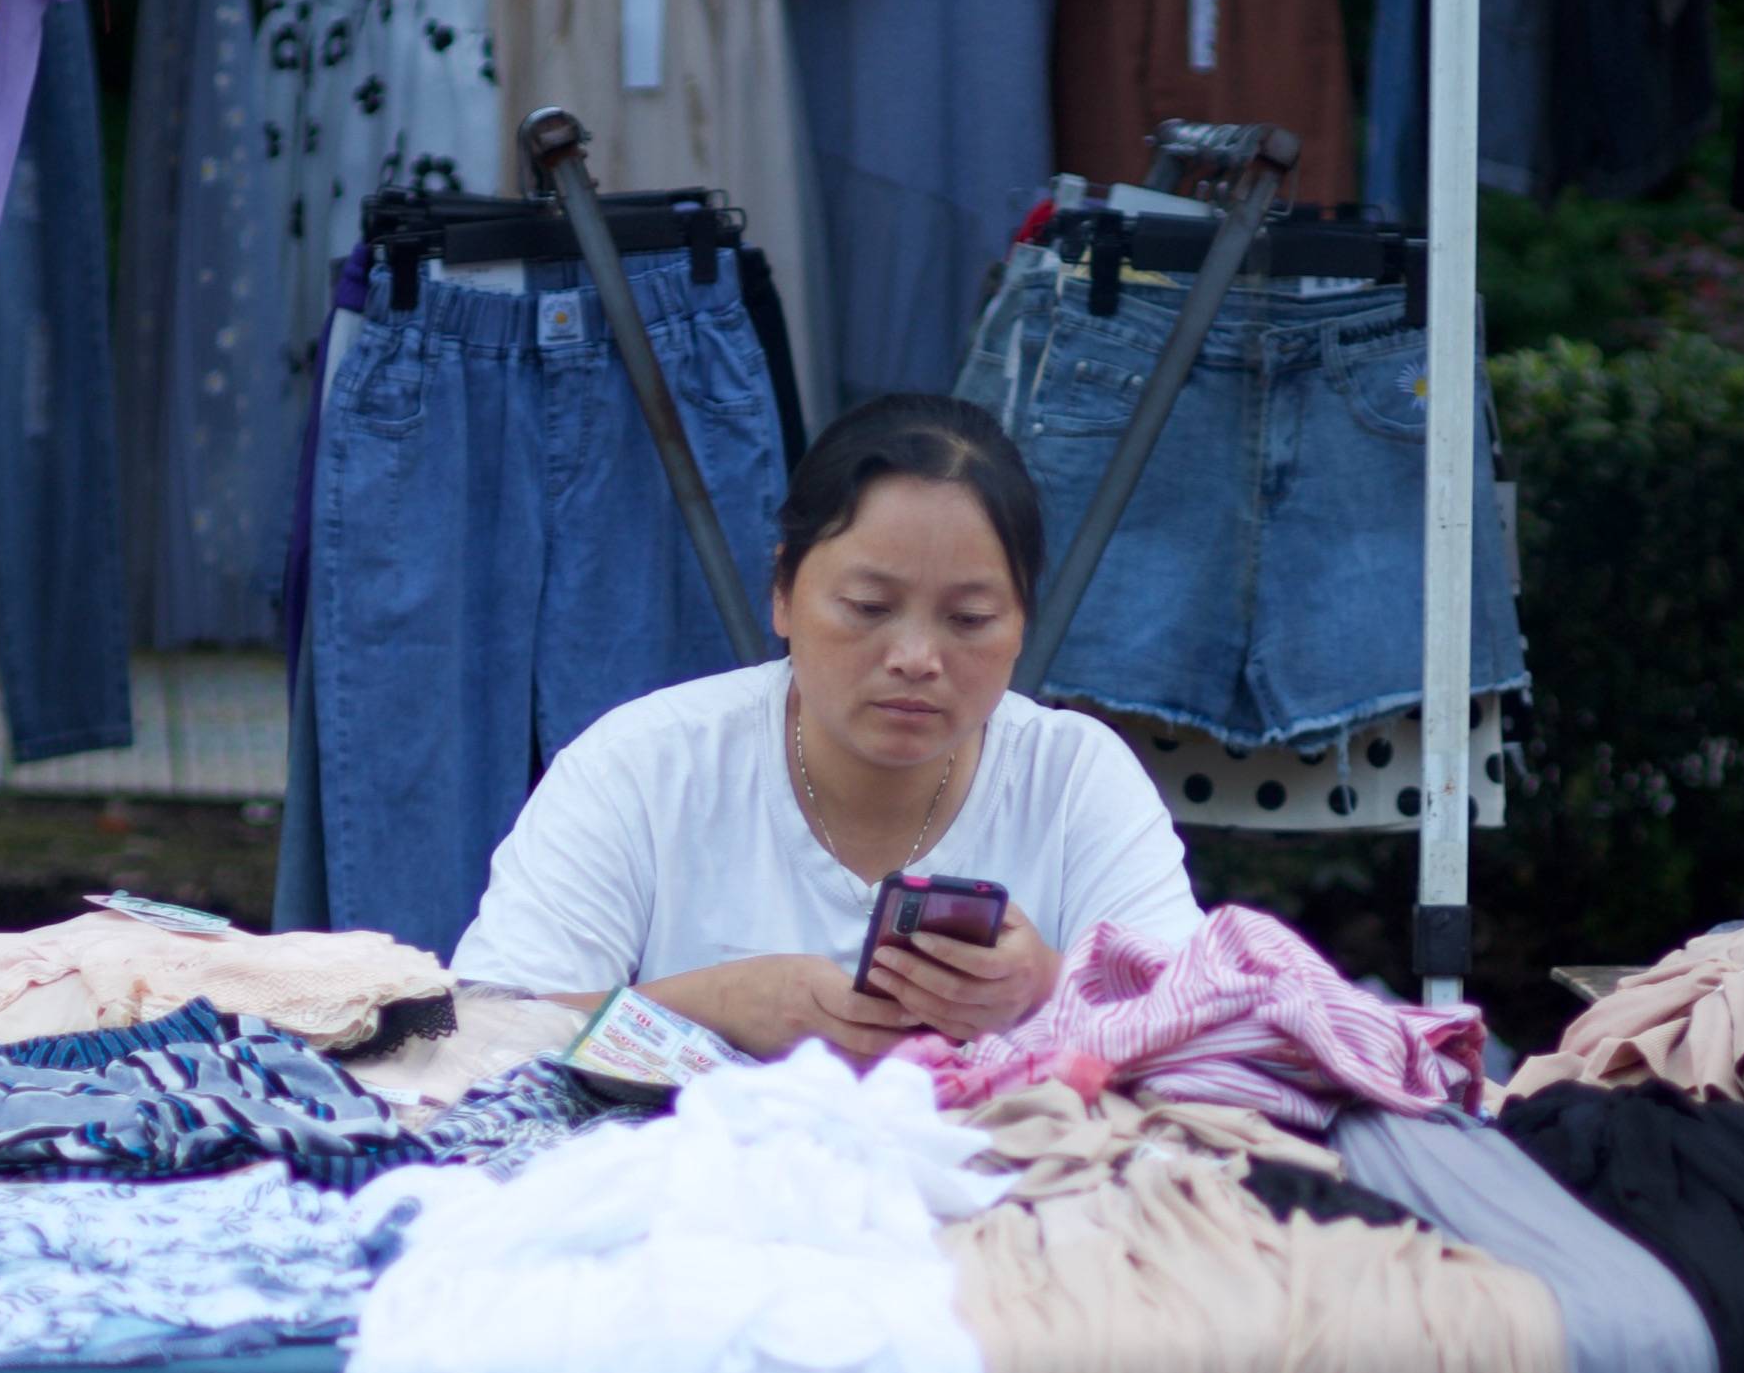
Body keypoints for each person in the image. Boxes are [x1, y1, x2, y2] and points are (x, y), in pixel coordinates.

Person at [449, 393, 1202, 1059]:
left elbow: (1207, 1023)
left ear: (1022, 624)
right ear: (783, 593)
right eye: (869, 609)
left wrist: (1047, 985)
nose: (916, 659)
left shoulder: (1074, 779)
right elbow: (481, 1033)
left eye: (969, 620)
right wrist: (713, 1007)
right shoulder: (643, 766)